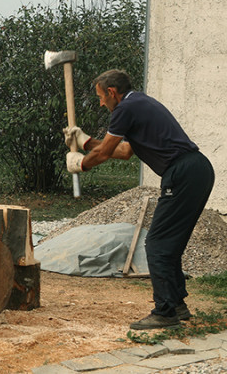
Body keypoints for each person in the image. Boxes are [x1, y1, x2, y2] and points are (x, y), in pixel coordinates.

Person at [64, 69, 215, 330]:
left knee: (156, 243)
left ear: (112, 92)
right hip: (197, 170)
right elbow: (123, 152)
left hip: (182, 173)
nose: (101, 103)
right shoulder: (139, 103)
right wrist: (85, 141)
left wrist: (81, 164)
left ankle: (165, 312)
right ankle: (177, 304)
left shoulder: (125, 109)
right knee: (169, 243)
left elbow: (106, 153)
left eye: (101, 97)